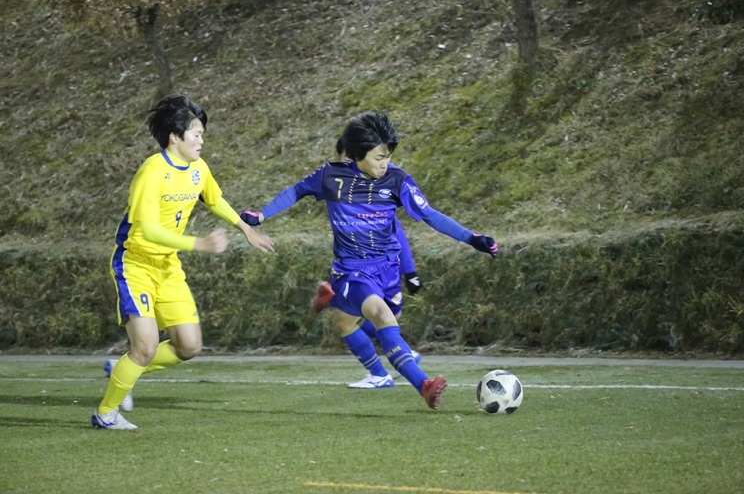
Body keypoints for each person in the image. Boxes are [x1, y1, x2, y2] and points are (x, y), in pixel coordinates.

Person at [240, 111, 498, 409]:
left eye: (388, 156)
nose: (385, 163)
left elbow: (430, 215)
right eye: (379, 157)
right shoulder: (331, 176)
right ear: (358, 155)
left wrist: (472, 238)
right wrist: (261, 215)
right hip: (353, 270)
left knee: (384, 326)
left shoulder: (397, 180)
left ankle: (335, 300)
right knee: (383, 317)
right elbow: (295, 191)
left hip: (388, 269)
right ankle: (424, 386)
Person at [92, 94, 275, 430]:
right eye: (196, 134)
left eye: (202, 134)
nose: (202, 141)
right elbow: (148, 229)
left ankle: (123, 368)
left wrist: (246, 229)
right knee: (145, 347)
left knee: (189, 347)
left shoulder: (198, 169)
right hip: (135, 265)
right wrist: (198, 244)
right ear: (174, 137)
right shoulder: (152, 172)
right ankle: (106, 413)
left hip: (168, 267)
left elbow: (215, 199)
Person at [312, 138, 422, 389]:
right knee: (360, 318)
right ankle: (399, 356)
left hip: (377, 273)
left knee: (349, 321)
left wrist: (410, 272)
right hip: (363, 272)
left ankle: (380, 374)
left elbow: (397, 231)